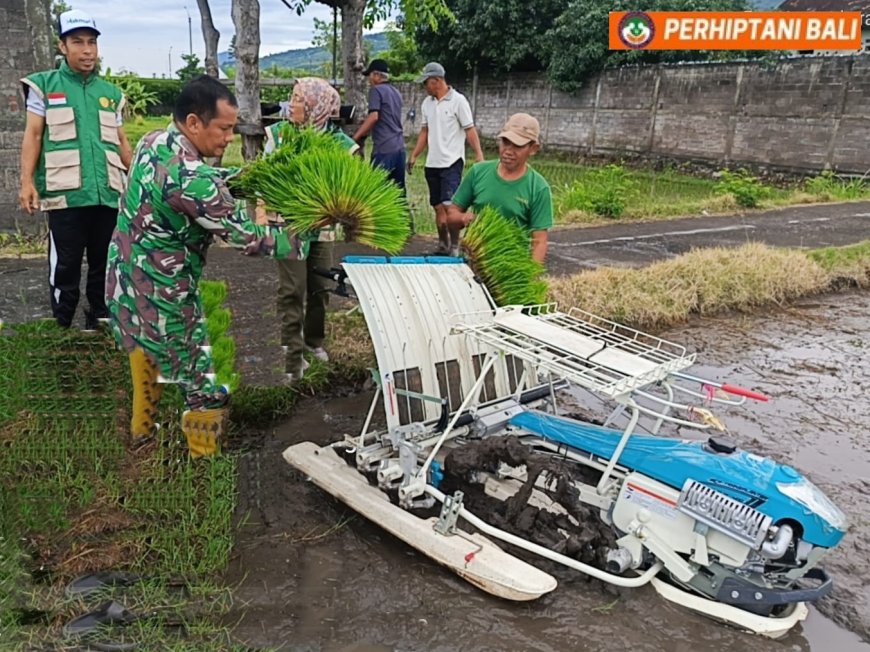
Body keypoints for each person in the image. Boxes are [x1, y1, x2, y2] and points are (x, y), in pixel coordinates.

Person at [106, 75, 294, 458]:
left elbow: (208, 182)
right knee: (204, 388)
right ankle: (203, 468)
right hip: (166, 298)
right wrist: (308, 231)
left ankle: (142, 433)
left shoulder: (153, 141)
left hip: (124, 284)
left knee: (145, 349)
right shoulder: (194, 180)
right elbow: (251, 238)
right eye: (223, 129)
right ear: (194, 123)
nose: (228, 138)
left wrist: (253, 179)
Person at [19, 9, 133, 330]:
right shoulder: (44, 86)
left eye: (92, 43)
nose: (87, 50)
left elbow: (122, 143)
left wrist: (139, 182)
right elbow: (34, 135)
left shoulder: (111, 94)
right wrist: (27, 182)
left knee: (106, 263)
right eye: (78, 42)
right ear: (62, 46)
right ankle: (62, 323)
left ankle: (99, 317)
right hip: (65, 196)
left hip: (107, 194)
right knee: (66, 265)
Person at [265, 77, 359, 382]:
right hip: (287, 223)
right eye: (291, 98)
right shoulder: (279, 135)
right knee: (292, 289)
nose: (290, 104)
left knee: (319, 286)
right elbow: (266, 176)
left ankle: (313, 342)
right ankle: (292, 352)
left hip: (322, 227)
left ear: (316, 106)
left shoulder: (339, 143)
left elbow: (350, 185)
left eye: (297, 99)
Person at [447, 113, 553, 263]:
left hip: (510, 268)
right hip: (473, 260)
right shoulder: (478, 172)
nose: (508, 151)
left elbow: (539, 241)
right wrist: (465, 218)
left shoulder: (538, 188)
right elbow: (451, 214)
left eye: (517, 146)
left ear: (533, 149)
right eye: (505, 142)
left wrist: (530, 280)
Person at [407, 62, 484, 255]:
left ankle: (455, 247)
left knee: (451, 208)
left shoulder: (458, 101)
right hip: (432, 163)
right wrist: (414, 155)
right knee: (438, 209)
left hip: (452, 163)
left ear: (437, 81)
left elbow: (469, 130)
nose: (425, 86)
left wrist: (479, 157)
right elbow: (425, 131)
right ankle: (442, 245)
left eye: (427, 82)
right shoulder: (427, 104)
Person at [352, 59, 406, 193]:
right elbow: (386, 117)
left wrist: (355, 138)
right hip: (399, 148)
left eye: (369, 75)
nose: (369, 80)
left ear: (376, 75)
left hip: (384, 148)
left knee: (375, 192)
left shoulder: (376, 91)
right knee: (398, 193)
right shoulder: (396, 92)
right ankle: (403, 215)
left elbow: (374, 117)